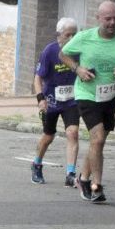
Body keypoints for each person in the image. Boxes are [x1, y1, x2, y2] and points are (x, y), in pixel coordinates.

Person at [58, 1, 115, 203]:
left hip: (110, 96)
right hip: (87, 94)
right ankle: (96, 187)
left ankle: (83, 178)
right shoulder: (85, 37)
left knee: (98, 141)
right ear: (99, 18)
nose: (112, 23)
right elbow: (64, 54)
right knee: (98, 138)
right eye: (108, 19)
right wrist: (77, 69)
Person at [32, 18, 80, 186]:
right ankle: (37, 164)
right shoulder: (49, 51)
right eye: (68, 35)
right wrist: (40, 99)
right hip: (51, 101)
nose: (72, 38)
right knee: (48, 136)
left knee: (72, 133)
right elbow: (38, 78)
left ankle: (70, 173)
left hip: (71, 101)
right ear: (59, 35)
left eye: (75, 34)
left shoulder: (80, 51)